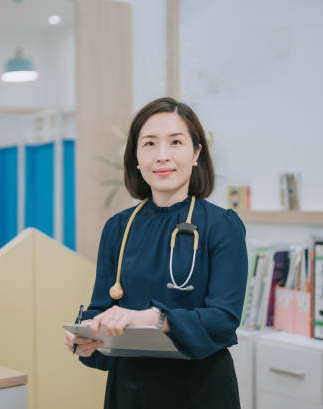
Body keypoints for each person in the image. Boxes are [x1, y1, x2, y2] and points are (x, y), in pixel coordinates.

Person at [63, 97, 248, 409]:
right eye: (149, 143)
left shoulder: (221, 226)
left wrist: (156, 318)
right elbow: (101, 310)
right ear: (136, 156)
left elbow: (224, 319)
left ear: (196, 153)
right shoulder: (118, 229)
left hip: (200, 390)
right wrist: (86, 338)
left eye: (176, 142)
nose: (162, 155)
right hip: (130, 390)